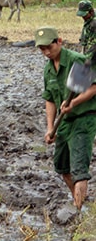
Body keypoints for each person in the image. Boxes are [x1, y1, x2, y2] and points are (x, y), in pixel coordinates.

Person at [35, 26, 96, 210]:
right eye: (42, 49)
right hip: (64, 123)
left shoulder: (77, 61)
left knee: (79, 171)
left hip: (83, 119)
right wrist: (49, 128)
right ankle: (80, 203)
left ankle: (79, 212)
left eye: (49, 47)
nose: (46, 52)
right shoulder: (48, 70)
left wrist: (74, 103)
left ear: (59, 41)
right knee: (62, 167)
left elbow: (93, 88)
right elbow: (50, 100)